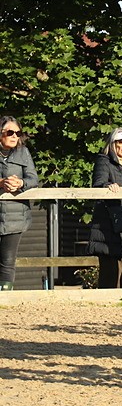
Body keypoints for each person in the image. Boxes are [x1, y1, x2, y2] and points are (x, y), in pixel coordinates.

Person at [88, 127, 122, 289]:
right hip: (110, 220)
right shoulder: (104, 160)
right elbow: (98, 183)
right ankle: (108, 300)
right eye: (120, 142)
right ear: (113, 143)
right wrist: (108, 186)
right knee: (111, 265)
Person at [0, 117, 39, 290]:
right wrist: (1, 182)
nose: (14, 136)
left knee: (8, 260)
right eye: (10, 132)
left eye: (18, 133)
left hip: (15, 215)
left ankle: (5, 298)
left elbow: (33, 179)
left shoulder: (23, 153)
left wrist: (21, 183)